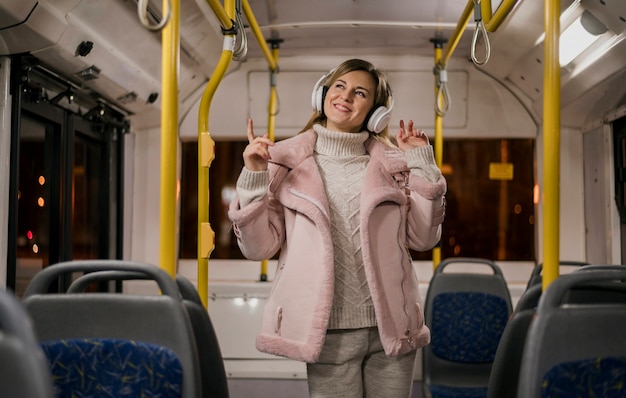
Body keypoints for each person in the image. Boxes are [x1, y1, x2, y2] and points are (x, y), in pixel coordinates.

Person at [228, 58, 446, 397]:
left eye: (360, 92)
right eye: (339, 85)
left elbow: (422, 237)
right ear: (323, 94)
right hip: (327, 330)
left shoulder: (395, 168)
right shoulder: (284, 163)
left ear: (376, 113)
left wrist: (423, 165)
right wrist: (255, 177)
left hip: (390, 325)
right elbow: (258, 249)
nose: (345, 96)